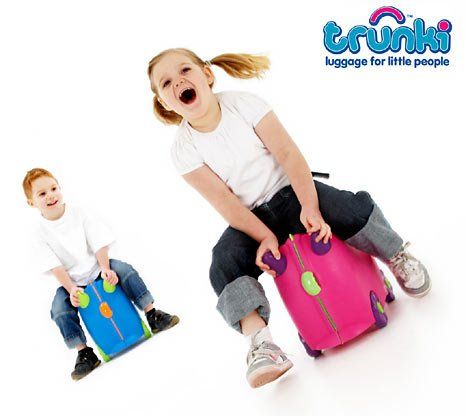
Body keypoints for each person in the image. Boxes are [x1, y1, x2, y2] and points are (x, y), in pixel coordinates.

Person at [147, 48, 431, 388]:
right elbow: (224, 201)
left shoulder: (243, 104)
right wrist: (264, 236)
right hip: (251, 217)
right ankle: (261, 342)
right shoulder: (183, 149)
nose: (178, 82)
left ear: (207, 74)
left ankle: (396, 255)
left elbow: (289, 154)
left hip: (291, 192)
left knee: (347, 207)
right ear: (164, 102)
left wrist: (310, 206)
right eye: (166, 83)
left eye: (185, 70)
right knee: (223, 261)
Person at [24, 168, 180, 380]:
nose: (50, 195)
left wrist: (105, 268)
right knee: (59, 308)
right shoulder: (38, 233)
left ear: (60, 188)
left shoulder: (79, 213)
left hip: (98, 267)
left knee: (125, 270)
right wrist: (72, 289)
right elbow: (55, 266)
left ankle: (152, 313)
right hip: (71, 282)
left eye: (53, 188)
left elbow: (98, 240)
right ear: (31, 202)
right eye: (42, 194)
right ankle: (84, 352)